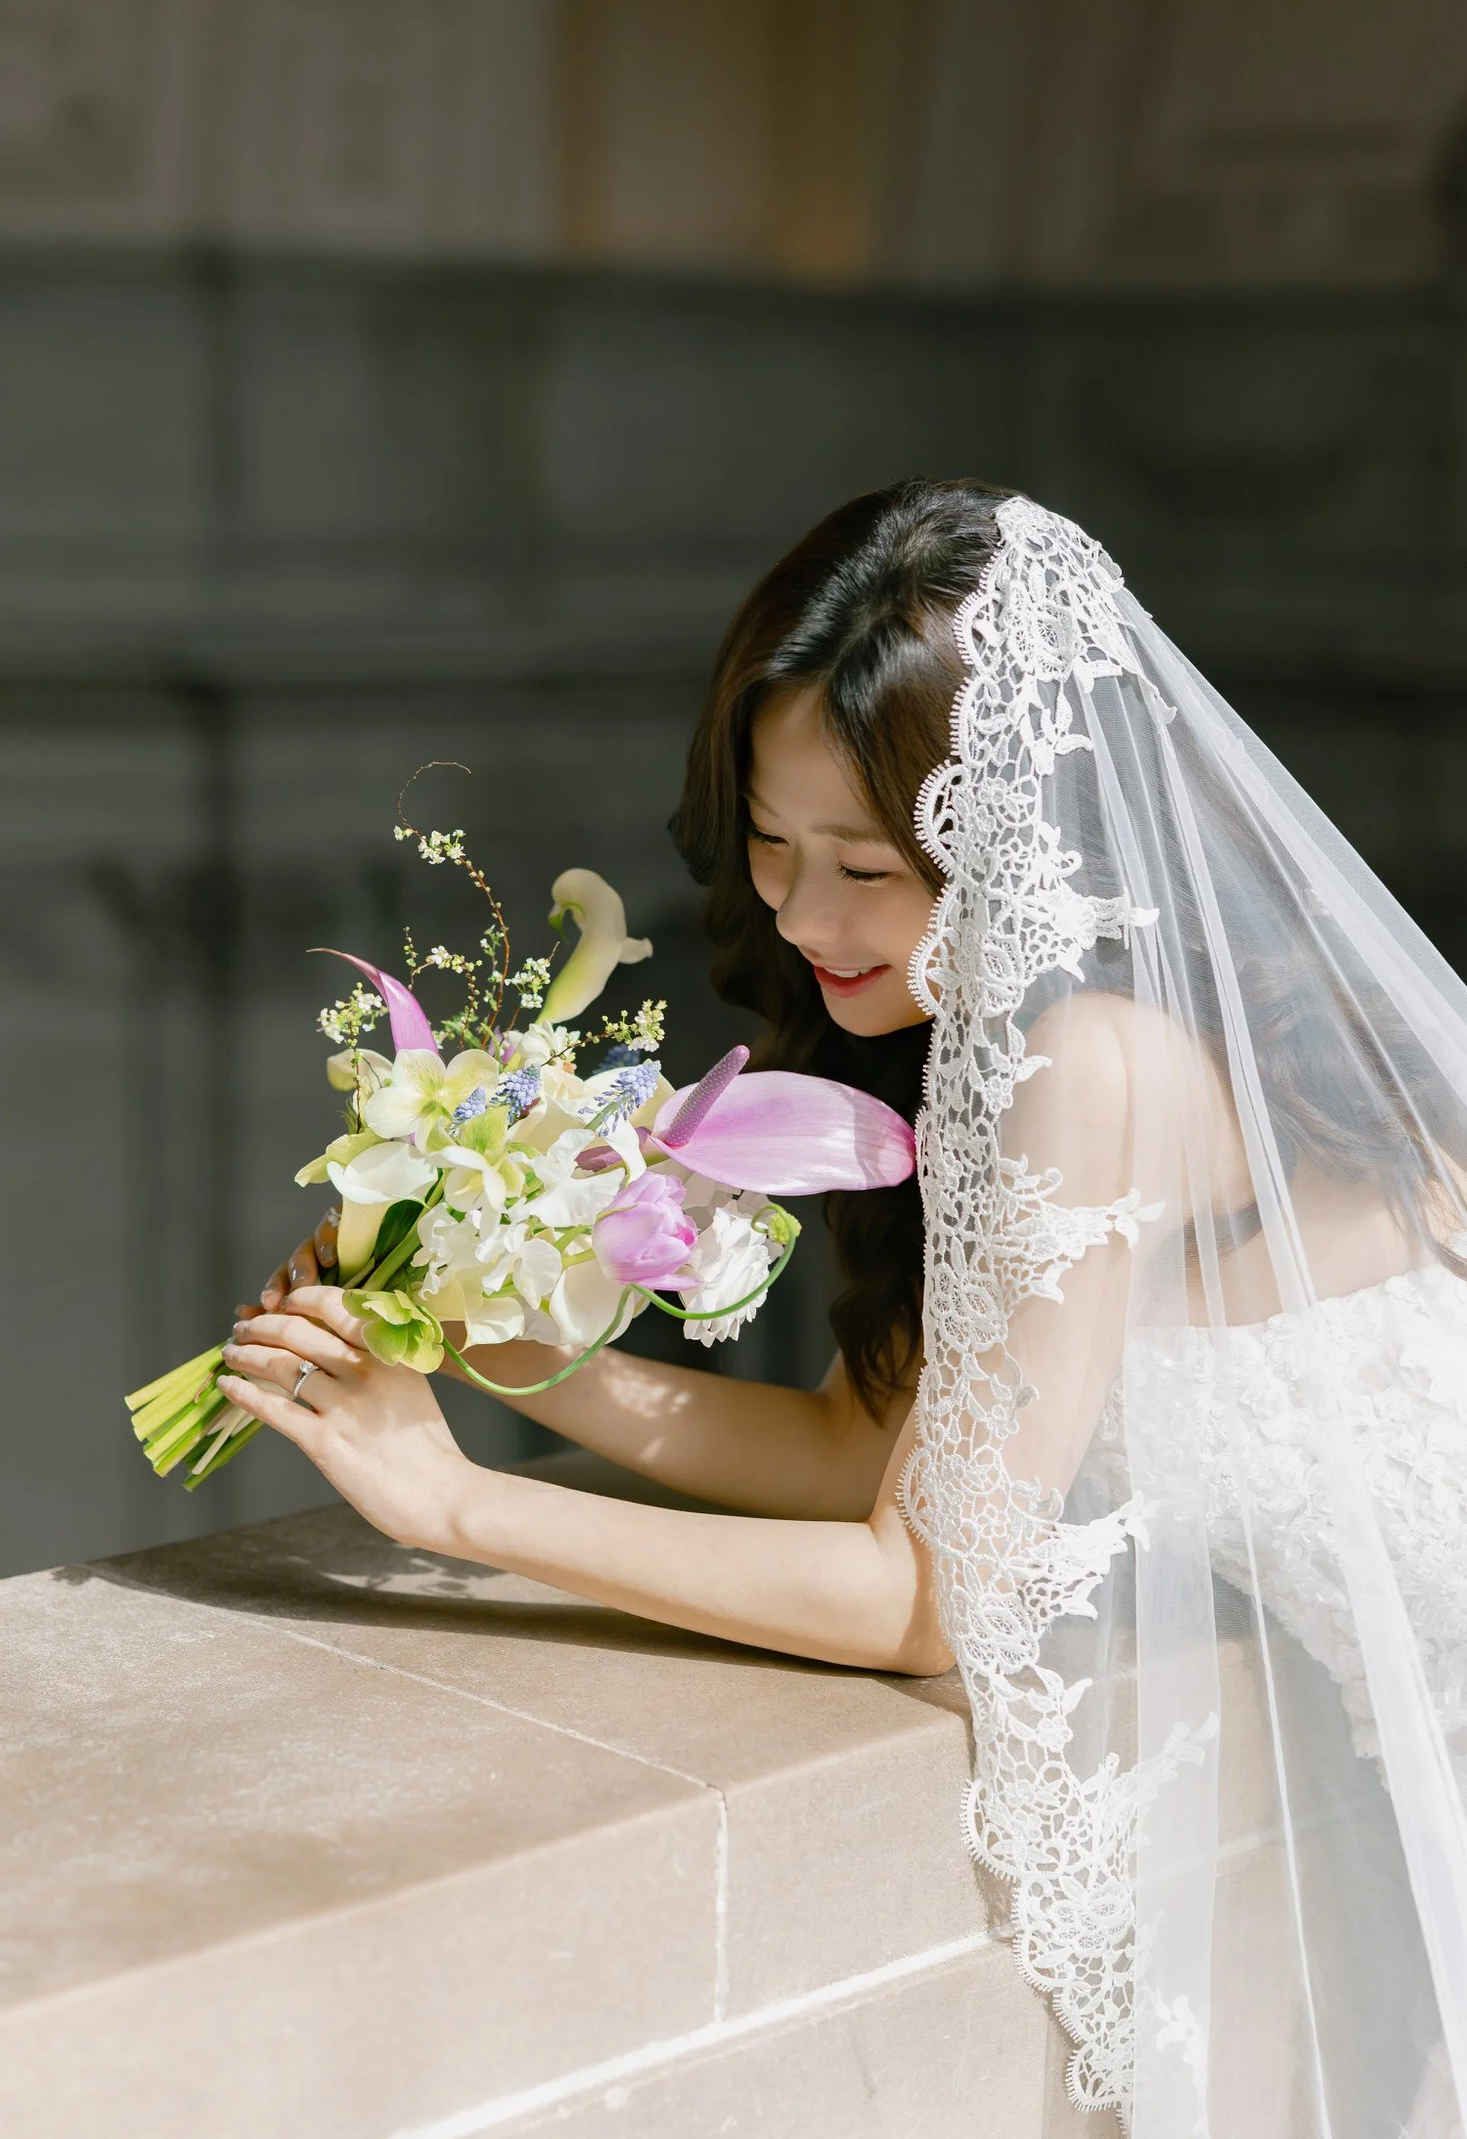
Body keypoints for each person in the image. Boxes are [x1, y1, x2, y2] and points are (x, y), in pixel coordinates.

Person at [221, 482, 1467, 2136]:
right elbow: (861, 1449)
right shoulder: (1045, 1033)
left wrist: (453, 1500)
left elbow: (921, 1599)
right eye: (768, 842)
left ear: (1030, 842)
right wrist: (534, 1350)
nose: (805, 919)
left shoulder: (1085, 1060)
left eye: (867, 864)